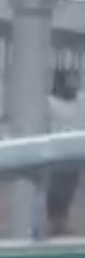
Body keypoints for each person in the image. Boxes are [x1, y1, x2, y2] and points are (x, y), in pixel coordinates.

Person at [49, 69, 84, 236]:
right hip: (56, 154)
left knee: (68, 189)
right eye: (71, 81)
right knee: (55, 190)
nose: (75, 85)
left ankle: (61, 224)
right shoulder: (49, 103)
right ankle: (54, 224)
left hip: (75, 153)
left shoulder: (81, 100)